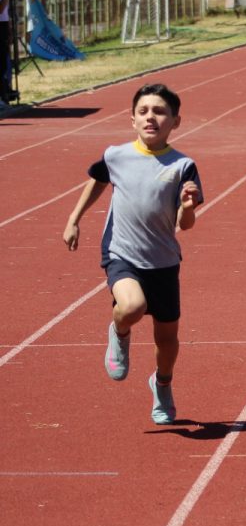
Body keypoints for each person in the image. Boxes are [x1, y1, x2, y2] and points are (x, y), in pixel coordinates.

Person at [62, 84, 203, 425]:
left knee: (166, 340)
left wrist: (186, 206)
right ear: (133, 119)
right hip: (121, 252)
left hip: (164, 261)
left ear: (175, 121)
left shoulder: (183, 165)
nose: (150, 117)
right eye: (143, 111)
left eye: (159, 111)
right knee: (132, 307)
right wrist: (74, 219)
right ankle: (120, 331)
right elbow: (96, 180)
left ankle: (162, 383)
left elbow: (187, 223)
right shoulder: (116, 155)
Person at [0, 0, 12, 104]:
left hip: (3, 27)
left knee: (3, 64)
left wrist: (8, 31)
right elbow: (1, 9)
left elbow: (5, 14)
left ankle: (4, 95)